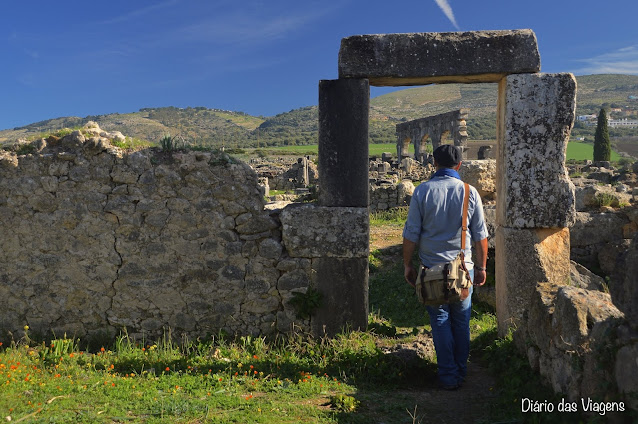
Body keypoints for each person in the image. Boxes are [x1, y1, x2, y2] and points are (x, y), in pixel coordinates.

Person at [402, 144, 489, 390]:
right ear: (459, 165)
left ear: (434, 164)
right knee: (461, 321)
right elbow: (480, 236)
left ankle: (448, 375)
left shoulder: (421, 192)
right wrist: (481, 267)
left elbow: (411, 234)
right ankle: (461, 371)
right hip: (463, 270)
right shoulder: (469, 192)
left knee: (440, 320)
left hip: (430, 269)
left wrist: (407, 264)